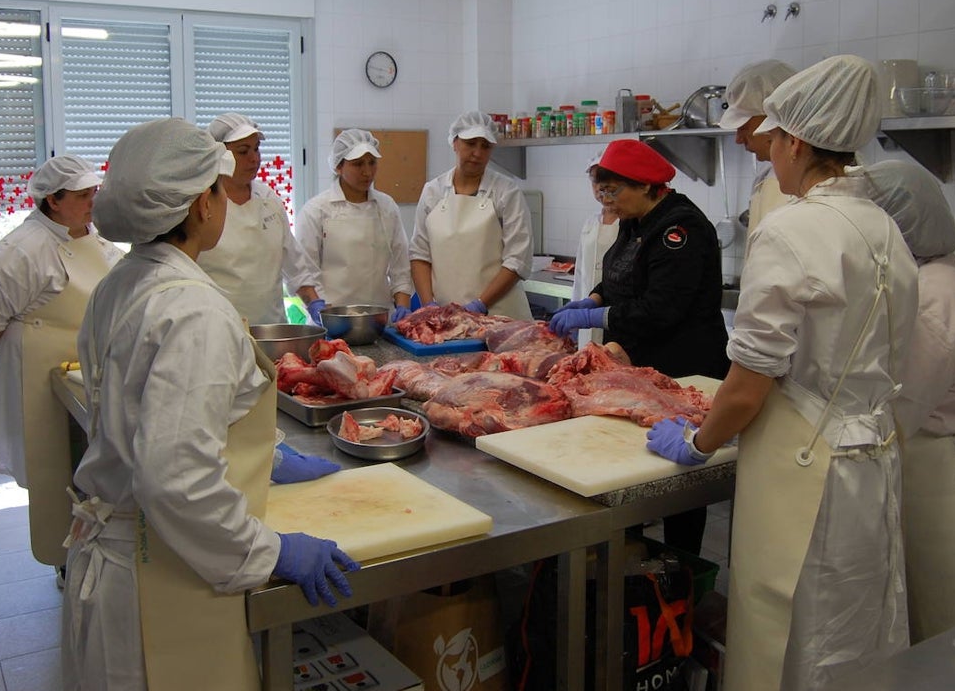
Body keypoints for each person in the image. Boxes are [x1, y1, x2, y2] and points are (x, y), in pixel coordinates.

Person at [647, 55, 919, 690]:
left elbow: (747, 385)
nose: (770, 162)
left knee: (787, 624)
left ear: (795, 141)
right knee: (855, 624)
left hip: (804, 464)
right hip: (873, 458)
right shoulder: (886, 228)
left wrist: (695, 442)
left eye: (772, 147)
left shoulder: (791, 230)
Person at [62, 118, 357, 691]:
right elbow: (175, 477)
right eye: (220, 189)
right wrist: (267, 551)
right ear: (203, 205)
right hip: (157, 570)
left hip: (126, 552)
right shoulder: (194, 311)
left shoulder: (123, 281)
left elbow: (149, 418)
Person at [550, 138, 728, 555]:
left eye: (616, 190)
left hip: (685, 366)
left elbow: (661, 308)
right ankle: (633, 554)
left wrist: (598, 318)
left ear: (647, 185)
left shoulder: (678, 229)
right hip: (643, 366)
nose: (609, 200)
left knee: (681, 481)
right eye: (603, 190)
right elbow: (618, 275)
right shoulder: (637, 220)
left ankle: (681, 568)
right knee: (638, 466)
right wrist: (594, 298)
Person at [864, 159, 955, 642]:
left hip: (946, 468)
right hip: (927, 455)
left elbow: (901, 410)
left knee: (950, 616)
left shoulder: (932, 294)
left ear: (895, 225)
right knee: (921, 614)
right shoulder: (928, 273)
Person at [0, 154, 122, 569]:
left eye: (95, 192)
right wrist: (37, 341)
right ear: (53, 200)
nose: (93, 201)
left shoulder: (97, 241)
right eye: (83, 195)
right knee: (55, 469)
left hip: (91, 372)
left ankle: (94, 550)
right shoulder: (22, 250)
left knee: (91, 464)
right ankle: (63, 558)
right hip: (39, 375)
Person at [196, 112, 326, 325]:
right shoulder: (201, 204)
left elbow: (294, 264)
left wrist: (314, 303)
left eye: (256, 148)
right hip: (219, 332)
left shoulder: (269, 200)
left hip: (272, 331)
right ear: (218, 155)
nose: (254, 158)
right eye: (243, 151)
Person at [410, 111, 533, 320]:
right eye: (471, 143)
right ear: (455, 143)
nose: (477, 153)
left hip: (499, 317)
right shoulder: (433, 192)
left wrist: (480, 304)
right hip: (446, 318)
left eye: (485, 146)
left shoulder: (506, 192)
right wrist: (428, 305)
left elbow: (517, 260)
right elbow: (420, 254)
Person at [297, 129, 413, 323]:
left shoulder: (387, 207)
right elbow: (304, 271)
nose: (367, 172)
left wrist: (402, 305)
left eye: (372, 163)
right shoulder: (316, 211)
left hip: (379, 321)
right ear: (338, 166)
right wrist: (318, 308)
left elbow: (400, 267)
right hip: (330, 320)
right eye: (358, 164)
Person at [716, 60, 796, 246]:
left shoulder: (812, 183)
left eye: (743, 127)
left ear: (774, 116)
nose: (738, 139)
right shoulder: (766, 177)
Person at [570, 152, 619, 348]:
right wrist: (575, 313)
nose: (601, 191)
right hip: (586, 316)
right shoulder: (591, 222)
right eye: (596, 184)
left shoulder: (630, 223)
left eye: (607, 184)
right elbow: (580, 273)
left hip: (615, 319)